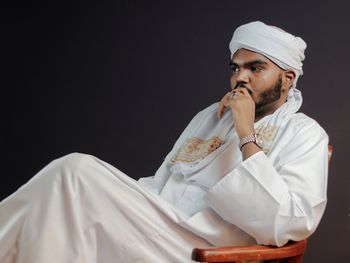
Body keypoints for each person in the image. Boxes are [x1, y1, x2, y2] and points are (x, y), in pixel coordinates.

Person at [0, 21, 329, 263]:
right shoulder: (209, 117)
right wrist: (111, 197)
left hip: (204, 248)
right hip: (158, 229)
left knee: (74, 172)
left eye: (256, 68)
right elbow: (161, 184)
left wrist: (246, 132)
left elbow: (291, 223)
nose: (240, 78)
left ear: (287, 78)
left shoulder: (304, 133)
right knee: (68, 190)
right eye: (236, 68)